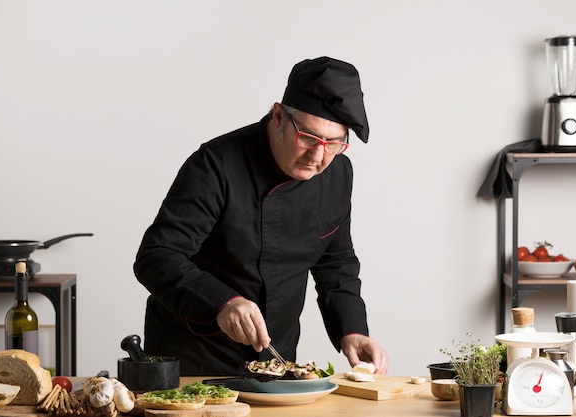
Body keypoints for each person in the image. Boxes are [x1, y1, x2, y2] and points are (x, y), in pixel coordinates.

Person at [134, 56, 389, 376]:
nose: (318, 156)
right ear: (279, 116)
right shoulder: (216, 165)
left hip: (276, 361)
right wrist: (222, 302)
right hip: (195, 357)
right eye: (308, 138)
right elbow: (157, 256)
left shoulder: (338, 172)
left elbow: (335, 263)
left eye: (334, 143)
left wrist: (351, 330)